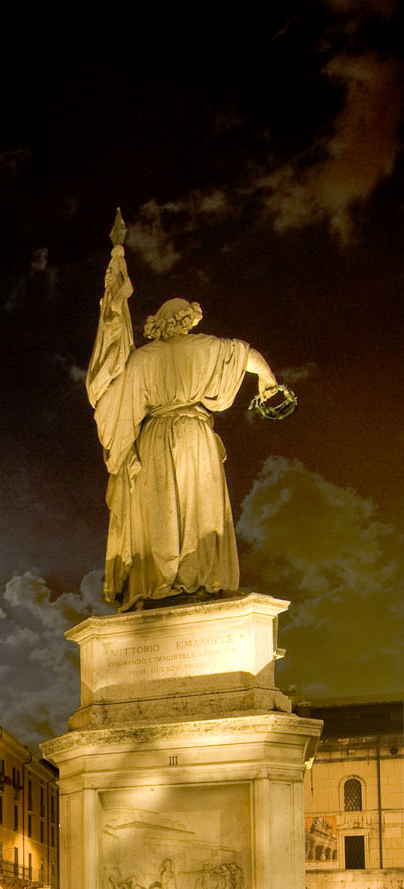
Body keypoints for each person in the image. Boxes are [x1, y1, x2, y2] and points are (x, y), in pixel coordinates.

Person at [86, 218, 282, 611]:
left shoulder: (142, 359)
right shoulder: (208, 347)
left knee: (159, 510)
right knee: (200, 507)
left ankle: (160, 581)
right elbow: (246, 355)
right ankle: (203, 578)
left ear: (158, 325)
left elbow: (113, 404)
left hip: (154, 437)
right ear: (188, 320)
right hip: (195, 434)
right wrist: (269, 383)